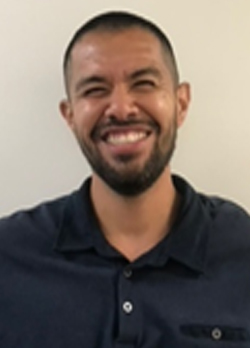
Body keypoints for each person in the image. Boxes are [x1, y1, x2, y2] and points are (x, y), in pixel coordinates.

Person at [0, 10, 250, 348]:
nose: (120, 108)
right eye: (95, 89)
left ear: (181, 102)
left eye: (144, 84)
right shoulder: (10, 255)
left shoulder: (241, 249)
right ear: (70, 115)